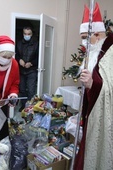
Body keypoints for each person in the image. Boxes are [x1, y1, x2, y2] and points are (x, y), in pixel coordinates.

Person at [74, 3, 113, 170]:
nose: (83, 42)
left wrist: (93, 84)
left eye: (85, 37)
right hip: (91, 113)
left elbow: (108, 85)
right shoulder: (95, 52)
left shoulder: (109, 52)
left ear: (96, 34)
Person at [15, 26, 39, 111]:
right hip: (21, 70)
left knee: (31, 89)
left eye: (29, 34)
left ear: (32, 34)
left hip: (31, 70)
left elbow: (39, 57)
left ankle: (30, 107)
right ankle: (23, 105)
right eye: (25, 34)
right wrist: (19, 60)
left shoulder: (37, 44)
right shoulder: (18, 43)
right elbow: (16, 55)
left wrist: (31, 63)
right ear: (23, 34)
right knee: (22, 89)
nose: (27, 35)